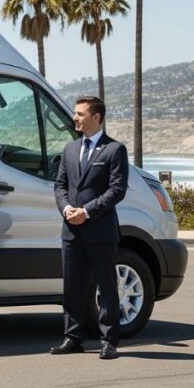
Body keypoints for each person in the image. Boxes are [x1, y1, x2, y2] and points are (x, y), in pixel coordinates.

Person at [51, 96, 128, 360]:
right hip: (71, 231)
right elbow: (60, 186)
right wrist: (66, 209)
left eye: (81, 114)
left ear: (97, 117)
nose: (75, 118)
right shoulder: (70, 149)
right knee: (71, 287)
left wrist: (87, 211)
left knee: (106, 287)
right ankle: (73, 338)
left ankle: (109, 341)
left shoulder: (114, 150)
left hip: (100, 231)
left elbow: (117, 190)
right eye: (75, 113)